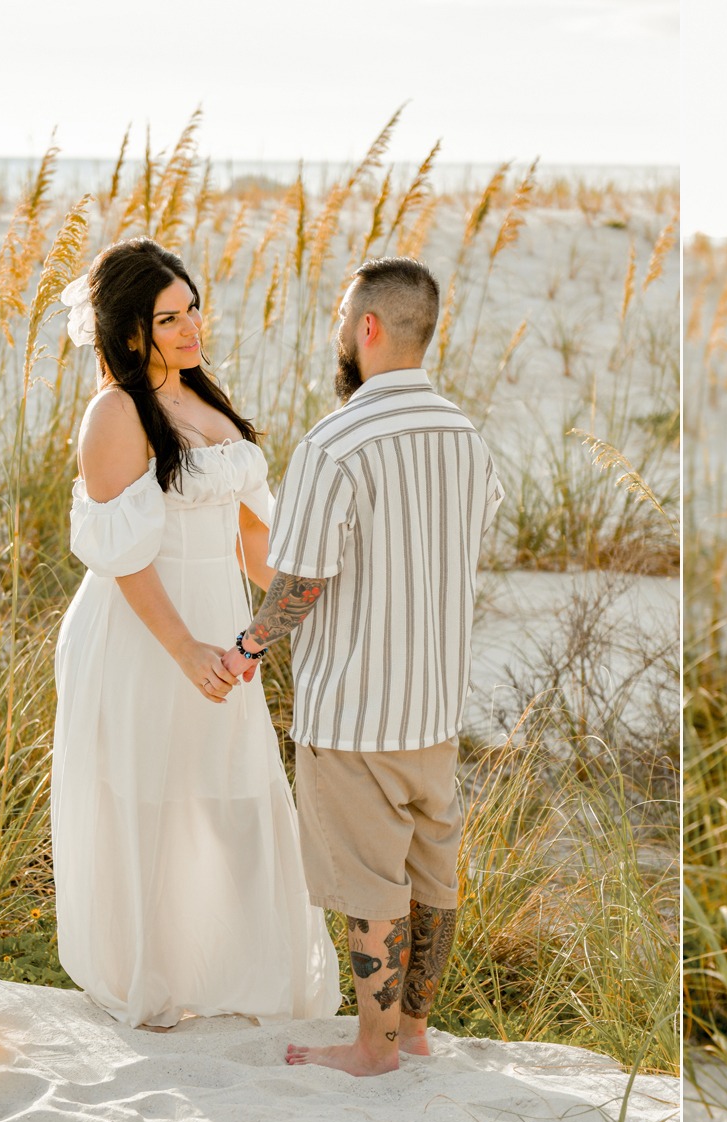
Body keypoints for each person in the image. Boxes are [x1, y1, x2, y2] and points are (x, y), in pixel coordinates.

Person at [218, 257, 502, 1077]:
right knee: (431, 873)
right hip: (436, 706)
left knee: (372, 887)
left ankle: (373, 1050)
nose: (339, 332)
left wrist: (247, 647)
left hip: (353, 711)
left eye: (343, 317)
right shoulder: (464, 434)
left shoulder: (333, 441)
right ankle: (412, 1032)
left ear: (366, 328)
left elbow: (298, 580)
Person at [52, 237, 340, 1029]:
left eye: (193, 309)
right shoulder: (114, 414)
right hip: (142, 636)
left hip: (220, 631)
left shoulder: (203, 397)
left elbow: (250, 538)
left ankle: (253, 977)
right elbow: (123, 558)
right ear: (129, 330)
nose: (190, 328)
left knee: (237, 794)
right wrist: (184, 651)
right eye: (167, 318)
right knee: (149, 798)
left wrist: (293, 603)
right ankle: (151, 980)